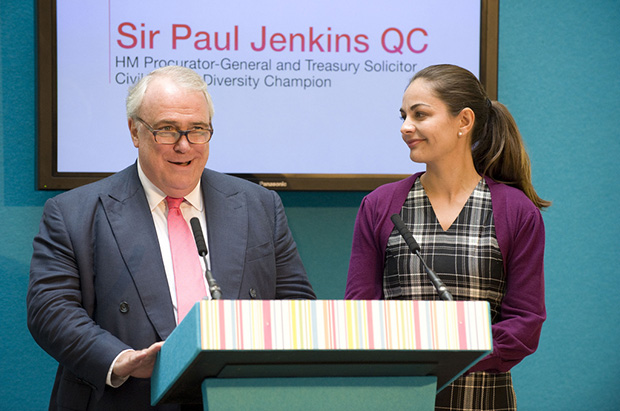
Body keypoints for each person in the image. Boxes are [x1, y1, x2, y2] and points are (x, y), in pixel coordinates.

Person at [27, 65, 316, 411]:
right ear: (135, 131)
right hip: (125, 398)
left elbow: (297, 306)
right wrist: (121, 360)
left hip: (235, 397)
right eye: (167, 130)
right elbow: (51, 310)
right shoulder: (73, 212)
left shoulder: (259, 205)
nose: (184, 145)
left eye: (197, 130)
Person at [345, 64, 549, 410]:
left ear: (464, 122)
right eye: (403, 115)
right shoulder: (379, 205)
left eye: (420, 115)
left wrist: (456, 356)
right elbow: (359, 313)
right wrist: (416, 359)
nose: (406, 127)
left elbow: (525, 324)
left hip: (483, 399)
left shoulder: (515, 211)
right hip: (397, 396)